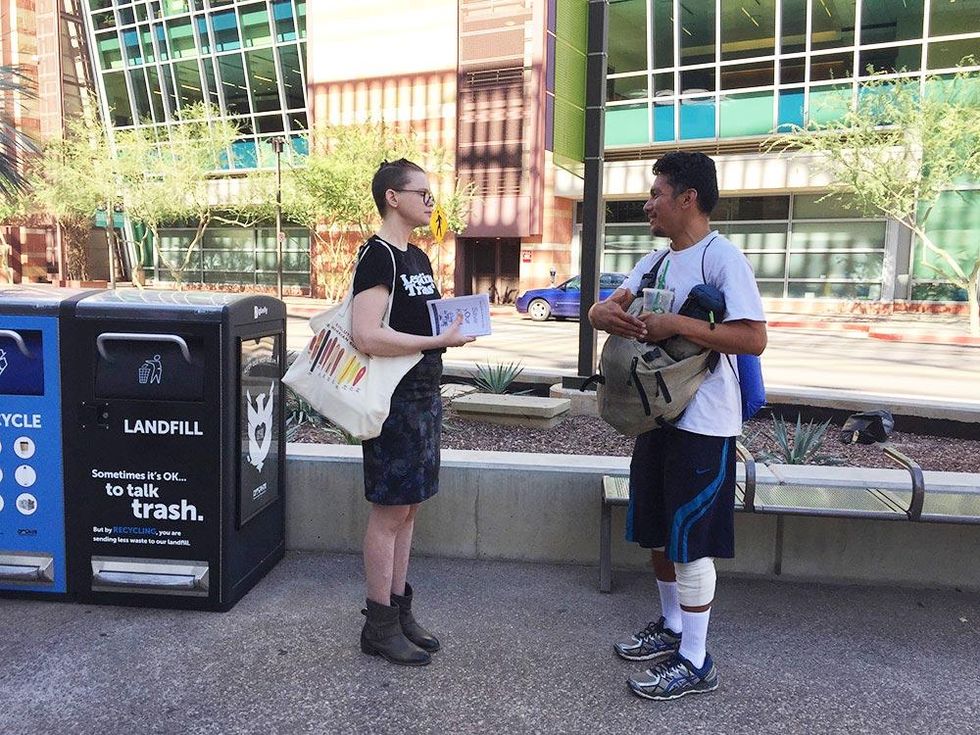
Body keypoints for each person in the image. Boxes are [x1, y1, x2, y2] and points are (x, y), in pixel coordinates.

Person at [589, 151, 767, 700]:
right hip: (655, 414)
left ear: (687, 198)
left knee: (689, 538)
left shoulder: (723, 259)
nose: (648, 205)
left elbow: (753, 337)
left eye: (656, 194)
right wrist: (604, 315)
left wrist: (675, 323)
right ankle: (671, 628)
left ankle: (696, 660)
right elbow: (605, 307)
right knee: (658, 530)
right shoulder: (654, 261)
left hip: (704, 422)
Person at [351, 159, 475, 666]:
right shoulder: (378, 256)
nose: (430, 200)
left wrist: (461, 324)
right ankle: (378, 623)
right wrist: (434, 341)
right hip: (393, 399)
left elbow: (424, 320)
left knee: (410, 506)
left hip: (423, 396)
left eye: (430, 192)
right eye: (421, 192)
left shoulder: (419, 259)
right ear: (392, 198)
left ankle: (399, 612)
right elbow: (367, 334)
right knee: (389, 511)